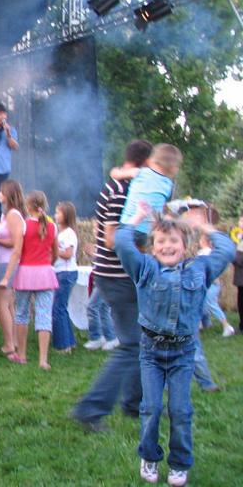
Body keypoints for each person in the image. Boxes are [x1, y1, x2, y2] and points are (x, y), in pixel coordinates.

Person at [116, 203, 234, 487]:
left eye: (173, 241)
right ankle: (149, 456)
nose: (167, 246)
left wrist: (201, 225)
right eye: (161, 241)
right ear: (152, 246)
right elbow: (121, 242)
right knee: (151, 408)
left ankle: (180, 464)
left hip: (183, 353)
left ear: (185, 245)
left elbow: (227, 248)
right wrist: (138, 217)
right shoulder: (145, 268)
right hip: (151, 352)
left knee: (180, 411)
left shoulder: (200, 269)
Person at [71, 139, 152, 432]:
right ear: (144, 164)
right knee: (131, 344)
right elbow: (109, 239)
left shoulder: (121, 186)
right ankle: (91, 409)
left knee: (139, 341)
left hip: (119, 275)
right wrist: (141, 242)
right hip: (117, 276)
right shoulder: (120, 191)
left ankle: (135, 403)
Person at [0, 190, 58, 370]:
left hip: (25, 273)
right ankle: (43, 360)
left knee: (22, 314)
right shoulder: (52, 226)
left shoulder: (24, 225)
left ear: (28, 206)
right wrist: (48, 264)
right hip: (46, 274)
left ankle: (22, 355)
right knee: (44, 315)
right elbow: (55, 253)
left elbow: (17, 252)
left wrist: (6, 277)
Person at [0, 179, 26, 355]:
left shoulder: (13, 215)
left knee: (1, 303)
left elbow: (16, 242)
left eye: (2, 191)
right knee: (8, 304)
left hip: (8, 262)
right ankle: (13, 340)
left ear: (9, 194)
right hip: (6, 261)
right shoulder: (8, 215)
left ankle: (9, 343)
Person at [114, 143, 182, 244]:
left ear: (151, 160)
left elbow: (115, 174)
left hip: (128, 225)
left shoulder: (139, 172)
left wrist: (116, 171)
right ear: (173, 168)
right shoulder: (168, 184)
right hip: (148, 232)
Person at [52, 201, 79, 353]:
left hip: (66, 273)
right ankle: (69, 341)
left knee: (58, 308)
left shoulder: (69, 233)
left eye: (59, 212)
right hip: (60, 272)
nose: (56, 215)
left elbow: (68, 254)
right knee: (62, 308)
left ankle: (63, 345)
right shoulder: (60, 233)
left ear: (66, 215)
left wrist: (54, 249)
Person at [198, 232, 235, 337]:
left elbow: (204, 269)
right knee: (203, 303)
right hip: (213, 283)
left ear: (204, 241)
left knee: (211, 304)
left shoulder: (204, 253)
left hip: (210, 283)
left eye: (200, 240)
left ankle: (227, 326)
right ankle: (205, 324)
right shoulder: (213, 253)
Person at [83, 279, 118, 351]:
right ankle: (111, 338)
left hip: (107, 279)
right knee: (103, 309)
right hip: (105, 279)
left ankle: (96, 337)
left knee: (92, 307)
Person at [231, 213, 243, 334]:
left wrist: (233, 256)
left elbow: (239, 259)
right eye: (240, 221)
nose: (240, 224)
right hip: (240, 276)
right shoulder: (239, 237)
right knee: (240, 302)